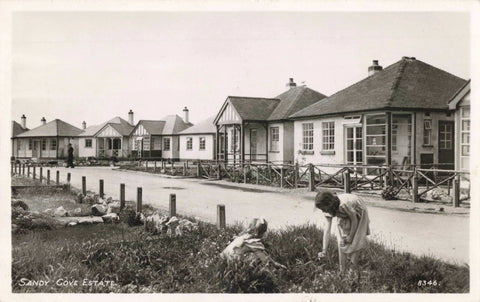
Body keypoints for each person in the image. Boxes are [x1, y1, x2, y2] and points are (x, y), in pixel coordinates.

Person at [315, 190, 370, 273]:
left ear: (329, 204)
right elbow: (327, 230)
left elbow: (354, 219)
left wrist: (351, 237)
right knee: (341, 240)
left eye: (323, 208)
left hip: (358, 210)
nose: (323, 211)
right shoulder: (328, 210)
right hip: (343, 212)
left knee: (356, 239)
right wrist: (324, 250)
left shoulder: (344, 205)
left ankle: (352, 270)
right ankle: (342, 271)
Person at [220, 218, 286, 269]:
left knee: (249, 253)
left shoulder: (243, 237)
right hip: (233, 263)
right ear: (262, 233)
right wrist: (276, 264)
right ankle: (254, 273)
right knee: (255, 256)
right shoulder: (254, 242)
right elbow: (264, 257)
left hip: (223, 258)